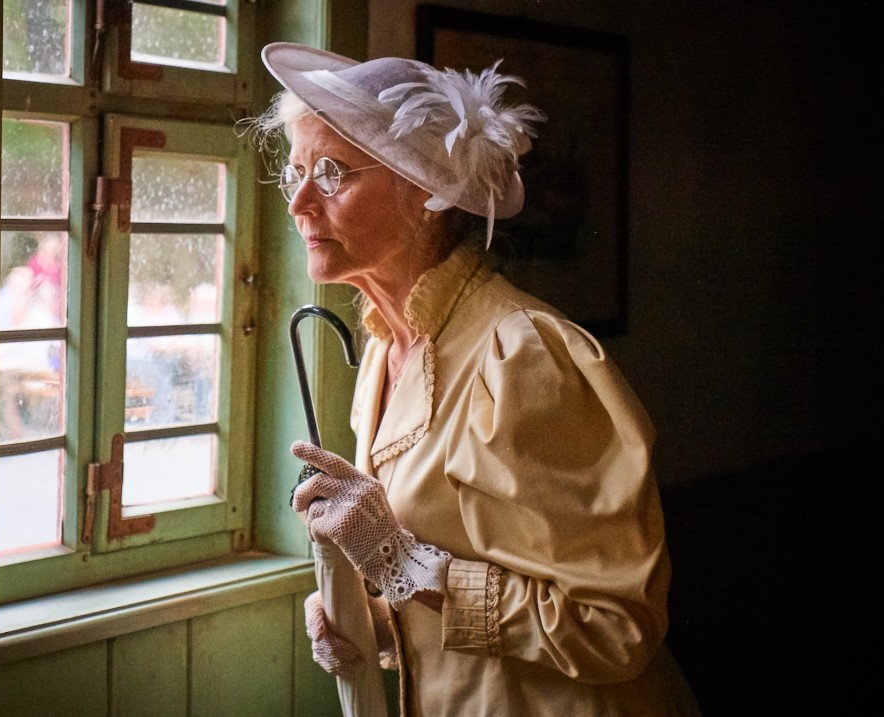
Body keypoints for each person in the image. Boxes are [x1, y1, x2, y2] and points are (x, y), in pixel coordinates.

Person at [254, 42, 701, 716]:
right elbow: (451, 595)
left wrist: (403, 564)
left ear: (423, 193)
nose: (300, 205)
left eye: (331, 172)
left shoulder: (525, 356)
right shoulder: (383, 353)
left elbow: (617, 626)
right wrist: (374, 623)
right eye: (295, 174)